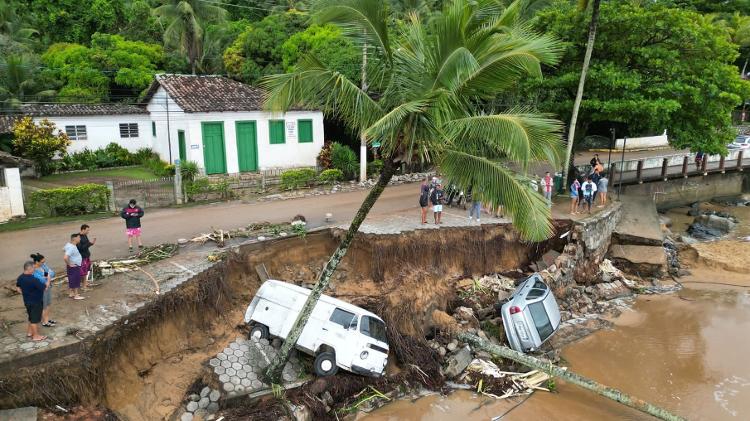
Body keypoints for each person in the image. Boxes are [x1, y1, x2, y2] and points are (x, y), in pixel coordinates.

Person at [16, 261, 47, 341]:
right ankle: (35, 336)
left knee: (31, 317)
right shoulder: (34, 280)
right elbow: (44, 288)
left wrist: (26, 293)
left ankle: (29, 332)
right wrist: (48, 279)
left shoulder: (20, 277)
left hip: (27, 301)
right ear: (29, 268)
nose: (34, 269)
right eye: (34, 268)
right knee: (34, 320)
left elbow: (18, 288)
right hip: (36, 302)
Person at [31, 253, 56, 327]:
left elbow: (52, 273)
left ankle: (46, 319)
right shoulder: (33, 270)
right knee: (43, 306)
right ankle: (44, 321)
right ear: (37, 262)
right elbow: (41, 280)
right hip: (41, 290)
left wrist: (47, 275)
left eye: (44, 261)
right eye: (42, 262)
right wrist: (47, 275)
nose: (44, 263)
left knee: (48, 304)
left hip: (48, 287)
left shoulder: (43, 266)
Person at [64, 233, 84, 300]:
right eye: (79, 238)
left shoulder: (69, 244)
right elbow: (65, 257)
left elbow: (63, 249)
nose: (80, 239)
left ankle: (71, 293)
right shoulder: (72, 247)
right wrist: (69, 263)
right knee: (75, 280)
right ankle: (76, 295)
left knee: (71, 279)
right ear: (74, 238)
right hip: (74, 266)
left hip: (72, 266)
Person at [77, 224, 96, 291]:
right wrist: (88, 243)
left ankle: (85, 283)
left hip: (87, 256)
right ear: (83, 229)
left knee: (86, 270)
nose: (88, 232)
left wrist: (91, 243)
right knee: (83, 272)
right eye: (87, 230)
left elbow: (87, 244)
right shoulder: (78, 237)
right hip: (82, 257)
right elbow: (80, 248)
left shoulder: (85, 235)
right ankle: (84, 286)